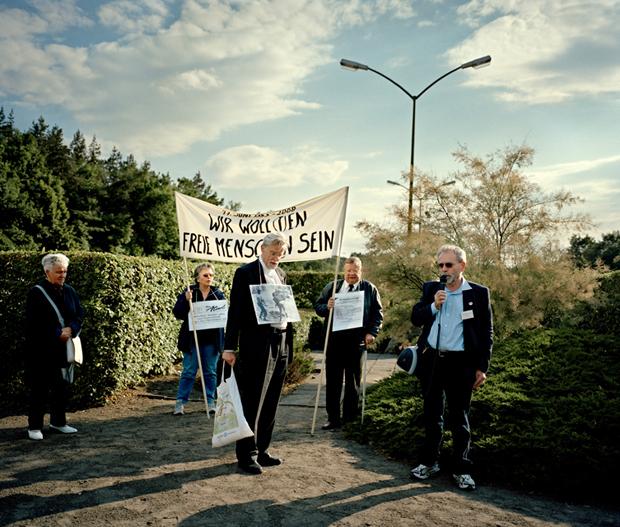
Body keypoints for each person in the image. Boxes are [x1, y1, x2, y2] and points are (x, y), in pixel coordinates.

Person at [409, 245, 493, 491]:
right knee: (432, 415)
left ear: (462, 266)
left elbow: (487, 332)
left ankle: (462, 469)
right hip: (433, 360)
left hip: (461, 363)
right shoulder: (431, 289)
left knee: (460, 417)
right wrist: (433, 306)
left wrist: (482, 367)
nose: (444, 270)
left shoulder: (478, 293)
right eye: (441, 265)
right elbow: (416, 318)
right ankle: (429, 462)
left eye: (449, 265)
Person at [222, 233, 294, 475]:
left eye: (280, 254)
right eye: (273, 253)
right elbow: (236, 312)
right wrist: (229, 346)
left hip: (280, 341)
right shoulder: (245, 273)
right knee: (252, 399)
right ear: (261, 249)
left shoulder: (281, 274)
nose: (276, 258)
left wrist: (288, 346)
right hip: (256, 344)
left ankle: (262, 449)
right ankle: (246, 455)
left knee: (272, 399)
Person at [314, 257, 383, 430]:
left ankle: (350, 419)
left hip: (356, 342)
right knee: (333, 382)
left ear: (361, 270)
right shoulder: (332, 287)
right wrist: (326, 306)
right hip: (335, 341)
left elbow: (377, 313)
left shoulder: (369, 288)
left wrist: (372, 333)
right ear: (344, 271)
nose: (352, 274)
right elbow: (318, 307)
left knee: (353, 383)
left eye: (355, 270)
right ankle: (333, 418)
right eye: (349, 271)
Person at [24, 253, 84, 440]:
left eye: (65, 271)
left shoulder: (70, 290)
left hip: (64, 347)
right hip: (42, 349)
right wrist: (57, 332)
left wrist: (71, 329)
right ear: (47, 271)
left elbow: (79, 314)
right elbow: (33, 322)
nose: (63, 275)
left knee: (61, 386)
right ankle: (34, 427)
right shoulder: (36, 292)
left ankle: (58, 422)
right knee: (39, 388)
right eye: (58, 272)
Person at [173, 263, 225, 416]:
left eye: (211, 275)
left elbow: (222, 316)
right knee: (189, 371)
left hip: (211, 340)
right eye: (205, 275)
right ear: (197, 278)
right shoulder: (189, 292)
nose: (209, 278)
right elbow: (178, 313)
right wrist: (185, 300)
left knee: (210, 372)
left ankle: (210, 402)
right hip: (192, 340)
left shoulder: (218, 294)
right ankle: (180, 403)